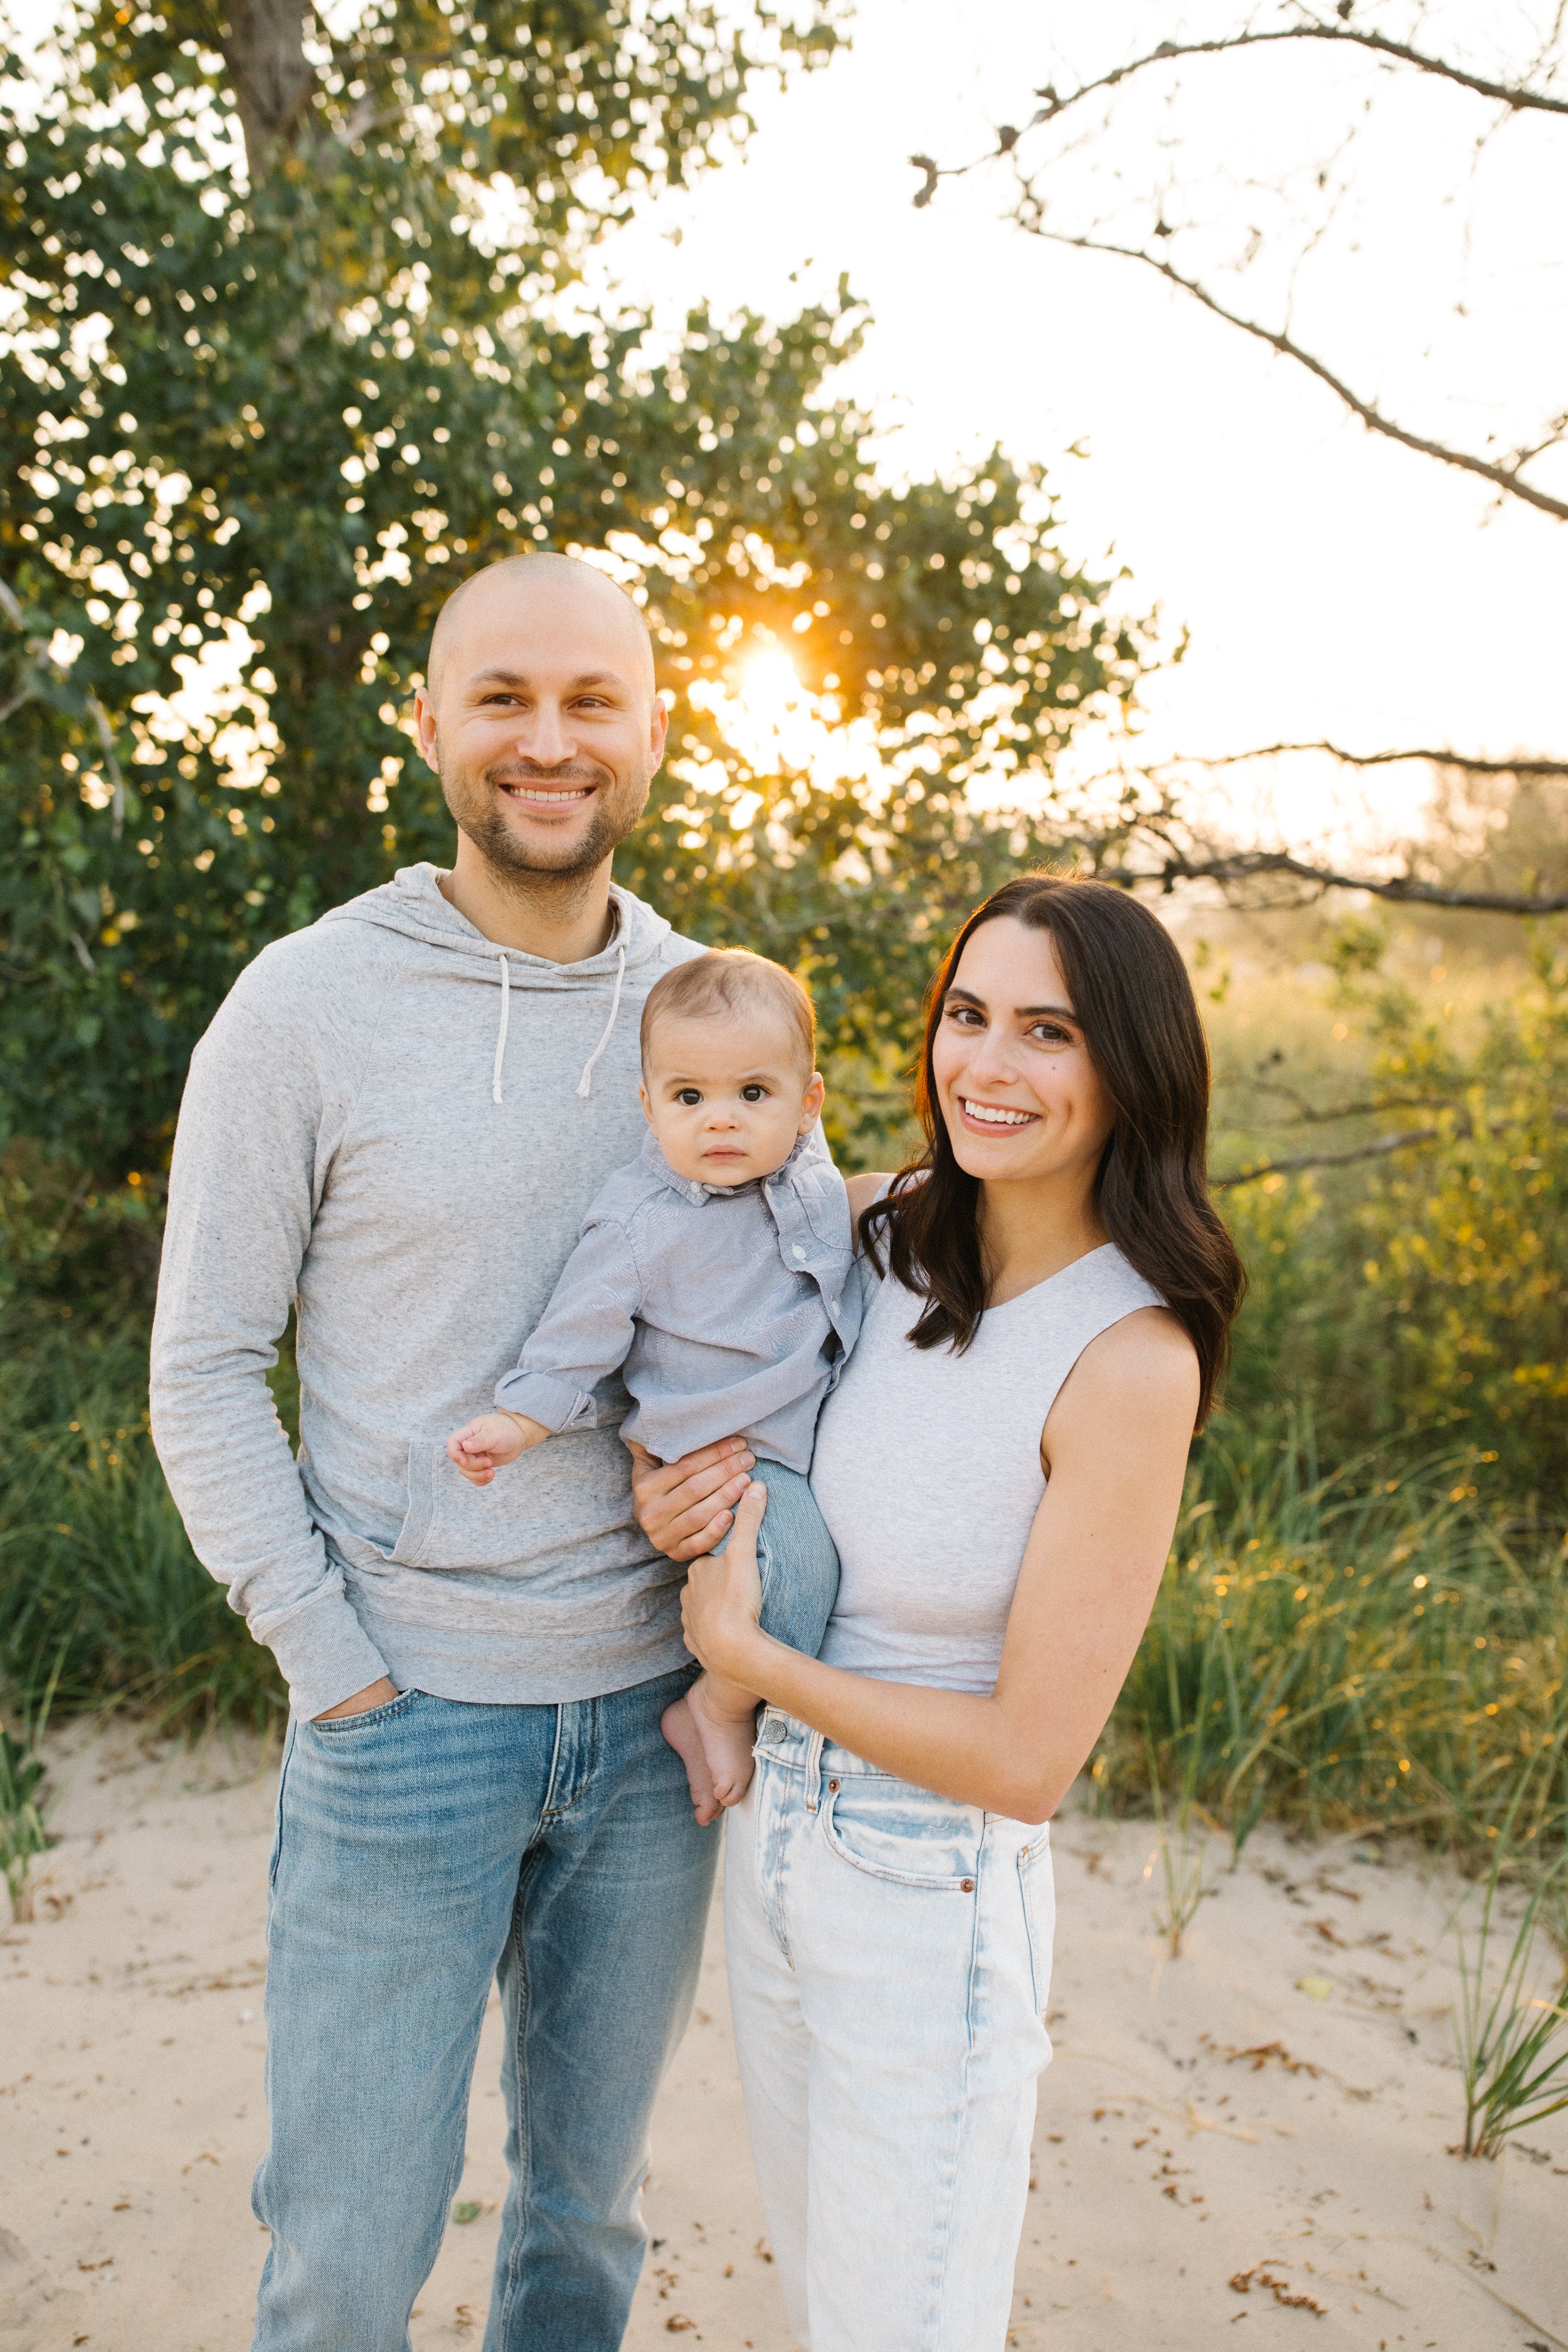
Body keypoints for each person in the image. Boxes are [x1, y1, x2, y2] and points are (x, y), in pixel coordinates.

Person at [149, 553, 758, 2352]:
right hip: (399, 1717)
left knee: (585, 2230)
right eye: (502, 697)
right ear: (430, 726)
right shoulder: (304, 1004)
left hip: (653, 1730)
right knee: (344, 2254)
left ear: (654, 727)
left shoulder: (716, 1020)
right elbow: (197, 1368)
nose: (547, 740)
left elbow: (797, 1324)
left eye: (591, 700)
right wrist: (335, 1667)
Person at [637, 873, 1246, 2352]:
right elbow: (689, 1317)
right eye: (966, 1016)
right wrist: (668, 1481)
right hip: (775, 1851)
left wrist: (751, 1661)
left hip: (929, 1889)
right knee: (827, 2304)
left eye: (1047, 1031)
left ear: (1130, 1069)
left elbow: (1028, 1761)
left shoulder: (1127, 1358)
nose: (985, 1064)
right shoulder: (880, 1230)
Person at [446, 947, 858, 1821]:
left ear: (808, 1103)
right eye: (688, 1097)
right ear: (648, 1105)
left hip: (801, 1446)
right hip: (728, 1459)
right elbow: (576, 1332)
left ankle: (737, 1711)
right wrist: (518, 1422)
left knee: (817, 1590)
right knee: (794, 1580)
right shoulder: (640, 1221)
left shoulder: (814, 1183)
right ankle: (713, 1706)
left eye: (754, 1094)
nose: (722, 1121)